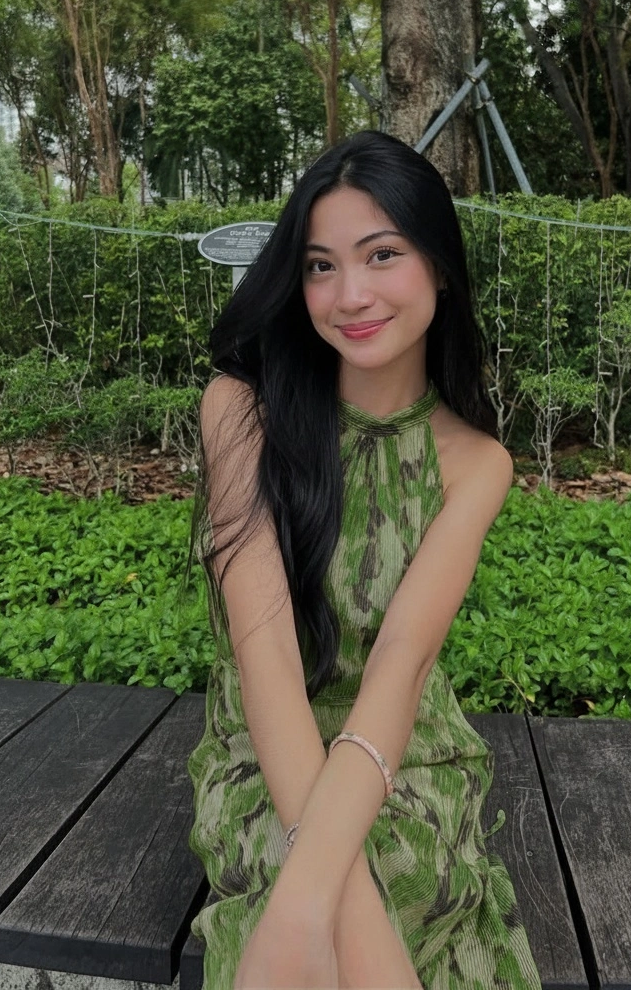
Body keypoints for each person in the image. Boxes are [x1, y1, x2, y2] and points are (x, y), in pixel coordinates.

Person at [185, 129, 542, 989]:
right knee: (295, 889)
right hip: (265, 743)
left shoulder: (477, 464)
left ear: (440, 267)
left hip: (400, 749)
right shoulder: (242, 411)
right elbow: (263, 649)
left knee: (407, 879)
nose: (350, 294)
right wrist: (315, 893)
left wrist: (315, 901)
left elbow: (401, 667)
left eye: (382, 254)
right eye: (318, 265)